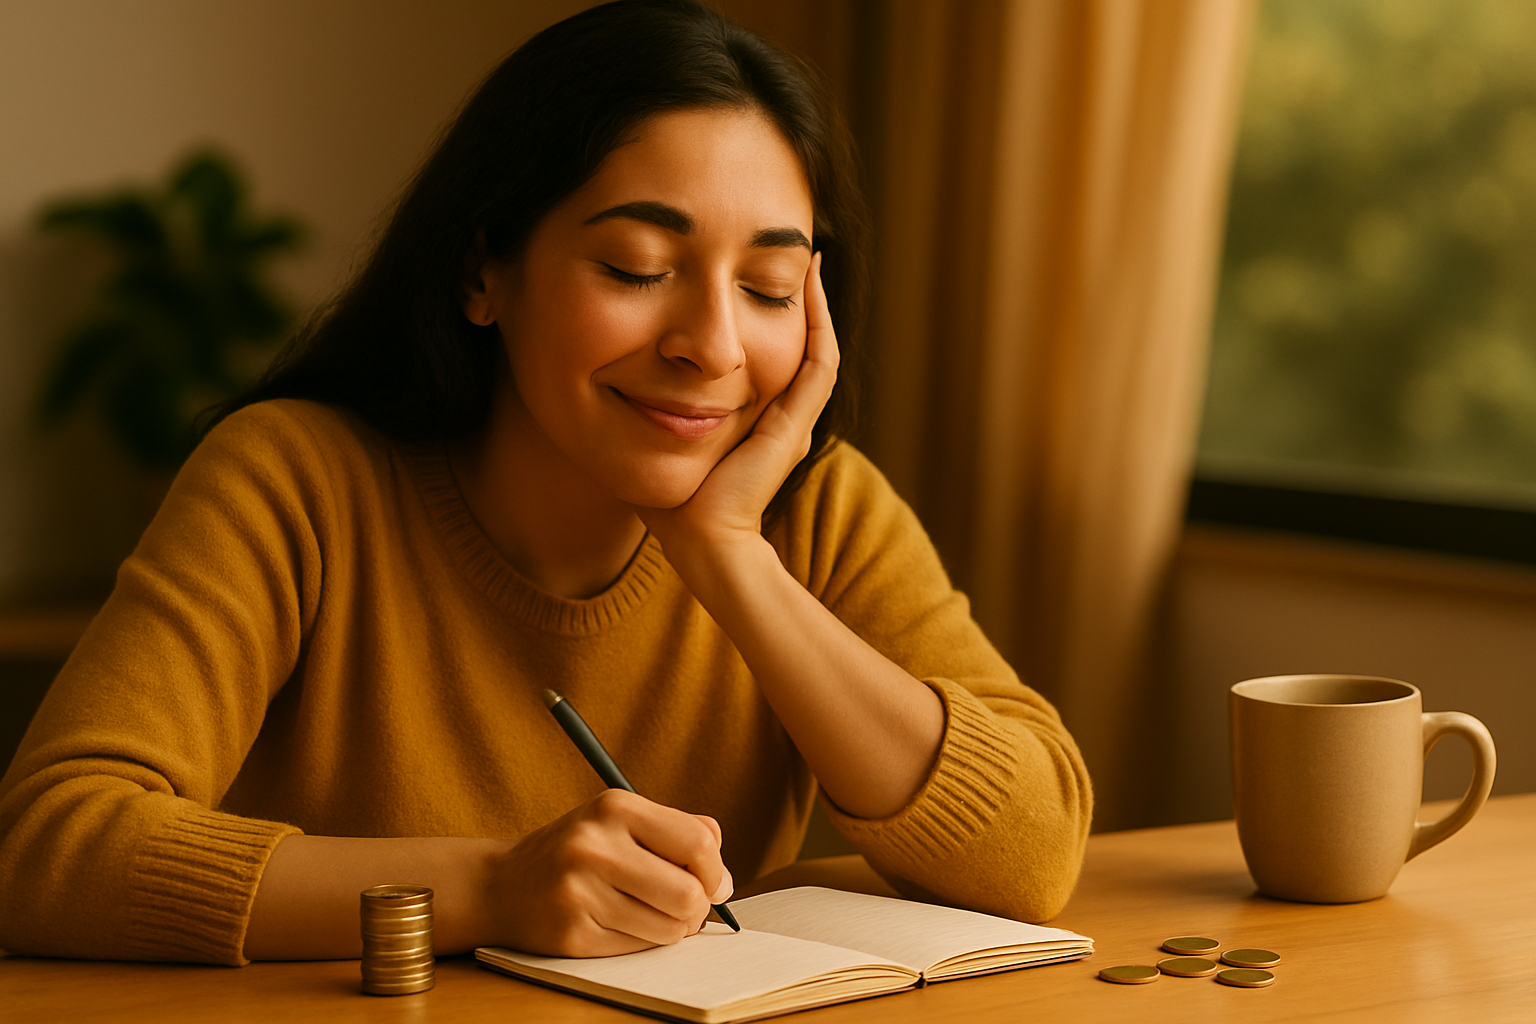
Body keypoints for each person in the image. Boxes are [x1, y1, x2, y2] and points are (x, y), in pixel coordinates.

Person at [0, 0, 1091, 965]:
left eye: (767, 287)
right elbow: (49, 842)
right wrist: (492, 888)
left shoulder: (818, 508)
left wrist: (728, 557)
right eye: (636, 269)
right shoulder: (297, 481)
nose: (713, 345)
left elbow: (1035, 852)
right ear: (483, 270)